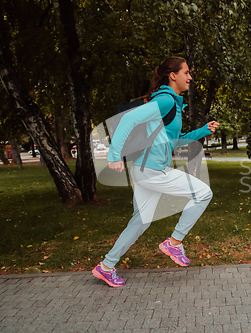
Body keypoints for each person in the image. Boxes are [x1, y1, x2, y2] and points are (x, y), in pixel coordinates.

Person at [92, 57, 219, 287]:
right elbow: (129, 118)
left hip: (144, 170)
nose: (190, 77)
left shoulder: (171, 104)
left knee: (140, 221)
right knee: (203, 193)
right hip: (152, 170)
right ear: (173, 76)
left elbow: (175, 141)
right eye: (186, 72)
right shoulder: (166, 101)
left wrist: (202, 130)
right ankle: (174, 242)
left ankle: (107, 266)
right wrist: (114, 154)